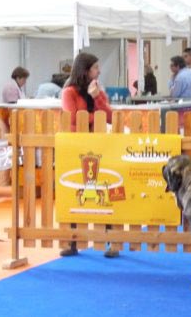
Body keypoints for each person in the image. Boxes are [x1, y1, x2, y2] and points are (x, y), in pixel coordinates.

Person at [60, 52, 116, 258]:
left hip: (99, 147)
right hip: (76, 148)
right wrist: (95, 116)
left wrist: (97, 99)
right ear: (85, 71)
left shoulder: (97, 90)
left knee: (105, 190)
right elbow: (74, 119)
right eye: (95, 68)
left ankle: (110, 240)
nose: (99, 71)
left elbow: (109, 116)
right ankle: (72, 241)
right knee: (75, 191)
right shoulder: (69, 92)